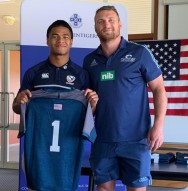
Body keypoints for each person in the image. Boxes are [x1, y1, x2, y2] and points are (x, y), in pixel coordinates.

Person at [83, 6, 168, 191]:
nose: (106, 24)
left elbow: (159, 88)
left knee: (136, 189)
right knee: (104, 189)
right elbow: (90, 104)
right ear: (95, 27)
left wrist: (158, 126)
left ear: (120, 24)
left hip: (136, 140)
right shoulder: (90, 61)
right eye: (101, 21)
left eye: (111, 20)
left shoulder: (140, 53)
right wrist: (92, 104)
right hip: (103, 139)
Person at [12, 20, 98, 191]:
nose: (60, 40)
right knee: (36, 186)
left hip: (68, 147)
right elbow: (18, 108)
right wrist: (18, 101)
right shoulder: (33, 72)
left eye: (65, 36)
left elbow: (89, 112)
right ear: (47, 40)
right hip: (38, 147)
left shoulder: (81, 75)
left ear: (71, 41)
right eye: (55, 36)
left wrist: (93, 104)